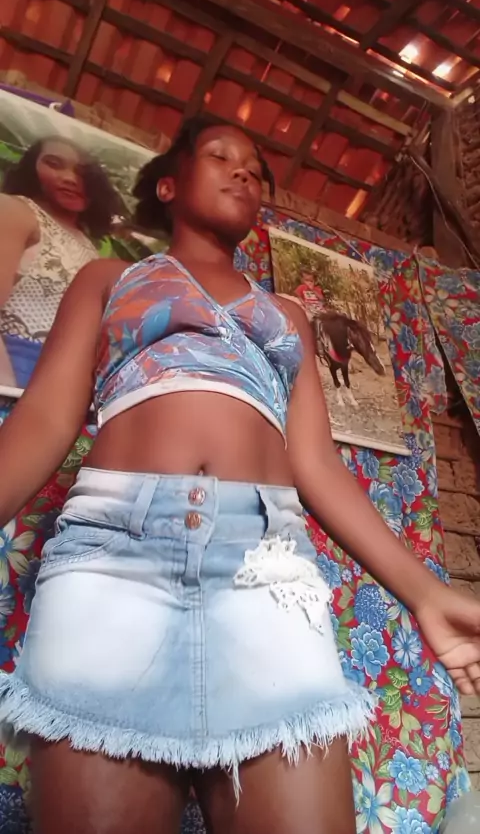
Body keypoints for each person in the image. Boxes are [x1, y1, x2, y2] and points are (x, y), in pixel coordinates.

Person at [0, 118, 477, 834]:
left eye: (254, 166)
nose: (243, 170)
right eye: (219, 155)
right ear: (168, 184)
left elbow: (315, 464)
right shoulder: (110, 279)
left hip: (268, 571)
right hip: (111, 562)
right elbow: (43, 419)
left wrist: (427, 594)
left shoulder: (287, 315)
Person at [0, 136, 122, 388]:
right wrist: (7, 387)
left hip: (59, 384)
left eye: (83, 171)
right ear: (32, 167)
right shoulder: (15, 211)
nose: (70, 178)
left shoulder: (89, 246)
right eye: (54, 164)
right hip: (11, 372)